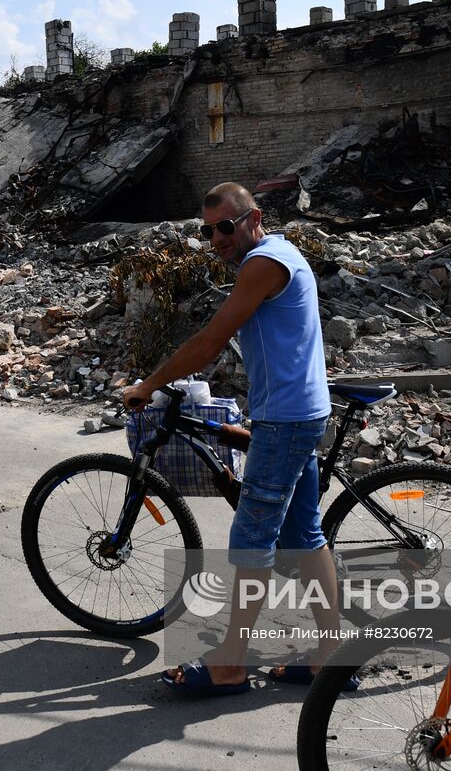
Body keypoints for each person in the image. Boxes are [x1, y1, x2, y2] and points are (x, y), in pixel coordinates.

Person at [121, 182, 342, 696]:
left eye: (225, 226)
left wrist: (149, 384)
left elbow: (210, 340)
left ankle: (230, 664)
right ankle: (330, 656)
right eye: (207, 230)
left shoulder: (263, 263)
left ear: (252, 218)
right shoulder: (279, 254)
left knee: (250, 539)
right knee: (305, 535)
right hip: (295, 412)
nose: (216, 238)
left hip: (287, 418)